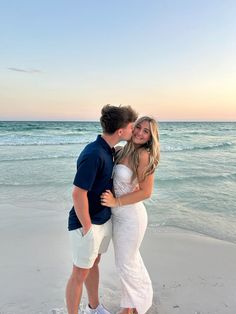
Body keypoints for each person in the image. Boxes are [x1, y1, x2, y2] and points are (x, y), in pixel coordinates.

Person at [65, 104, 138, 314]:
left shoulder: (109, 150)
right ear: (121, 131)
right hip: (85, 223)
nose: (133, 131)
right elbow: (78, 193)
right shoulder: (94, 153)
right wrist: (87, 228)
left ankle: (94, 307)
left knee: (93, 264)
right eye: (132, 127)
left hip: (102, 219)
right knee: (79, 273)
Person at [101, 116, 160, 314]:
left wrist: (116, 201)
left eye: (146, 132)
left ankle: (131, 308)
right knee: (127, 262)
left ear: (150, 137)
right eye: (138, 128)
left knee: (126, 263)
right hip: (117, 216)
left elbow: (146, 192)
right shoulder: (120, 151)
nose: (140, 133)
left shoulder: (144, 156)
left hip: (132, 217)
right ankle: (134, 304)